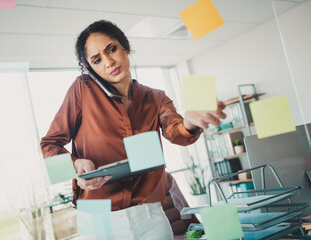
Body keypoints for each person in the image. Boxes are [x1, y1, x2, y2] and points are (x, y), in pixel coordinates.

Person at [40, 20, 226, 240]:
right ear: (91, 68)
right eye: (97, 60)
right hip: (99, 217)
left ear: (124, 47)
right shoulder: (82, 90)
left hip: (150, 214)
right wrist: (75, 165)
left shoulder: (155, 97)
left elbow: (177, 133)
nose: (109, 62)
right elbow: (49, 144)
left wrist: (190, 122)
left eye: (112, 49)